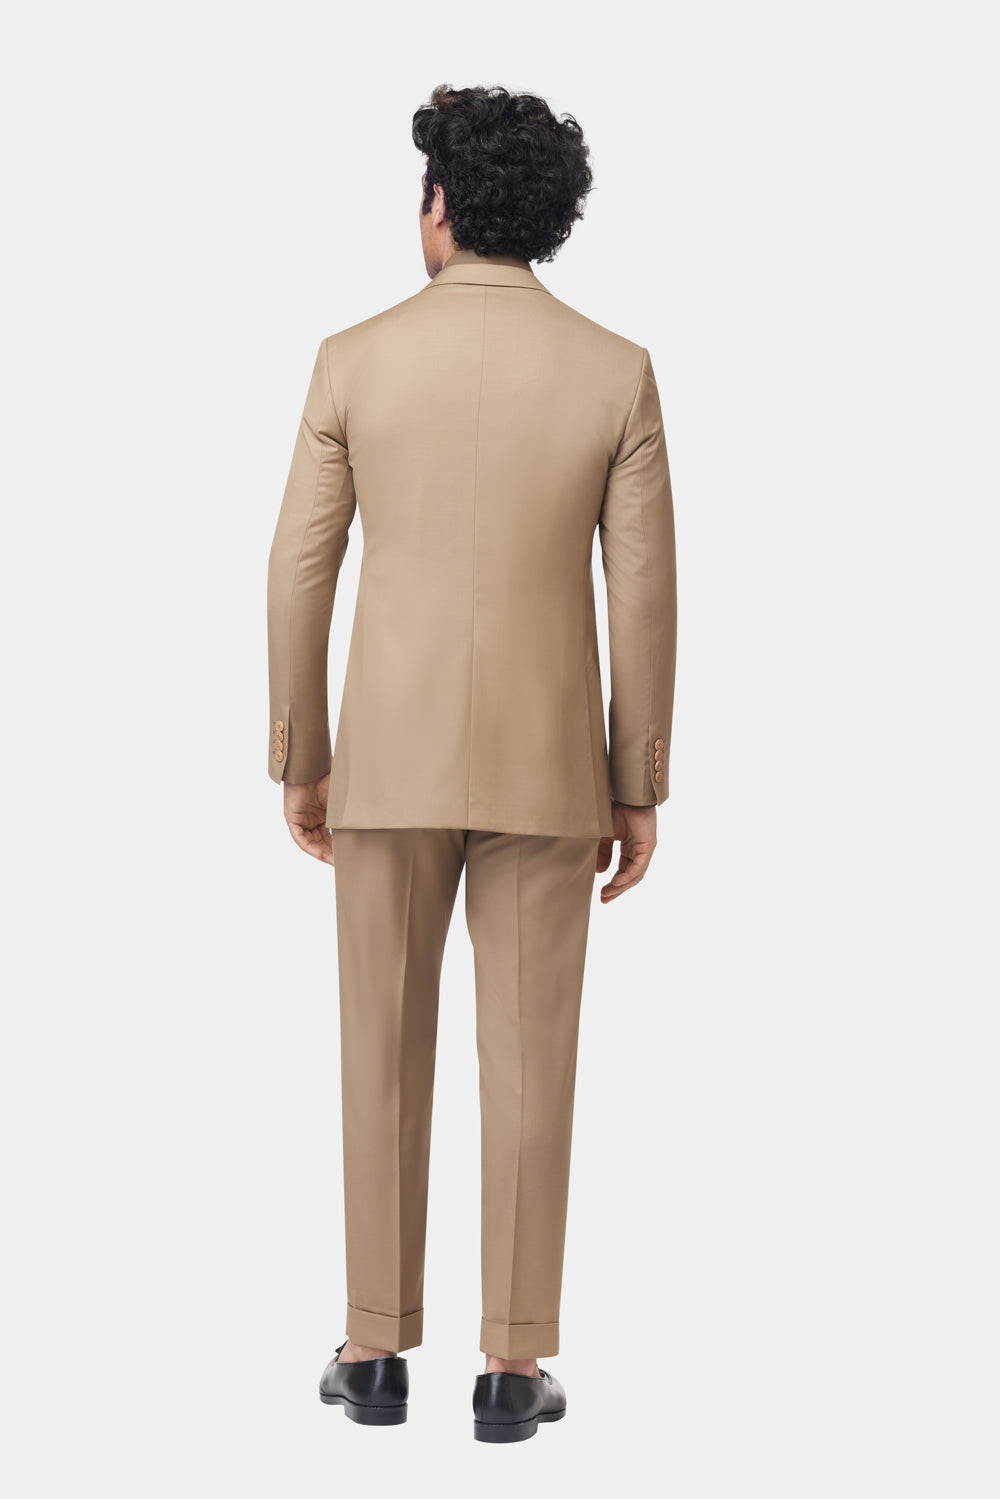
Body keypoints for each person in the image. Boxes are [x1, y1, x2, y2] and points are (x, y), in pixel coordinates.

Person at [266, 82, 677, 1442]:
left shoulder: (353, 359)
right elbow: (644, 591)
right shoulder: (616, 370)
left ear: (440, 204)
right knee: (532, 1058)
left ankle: (375, 1349)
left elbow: (299, 569)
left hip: (384, 758)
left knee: (379, 1048)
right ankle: (511, 1368)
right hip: (552, 765)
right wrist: (637, 779)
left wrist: (300, 753)